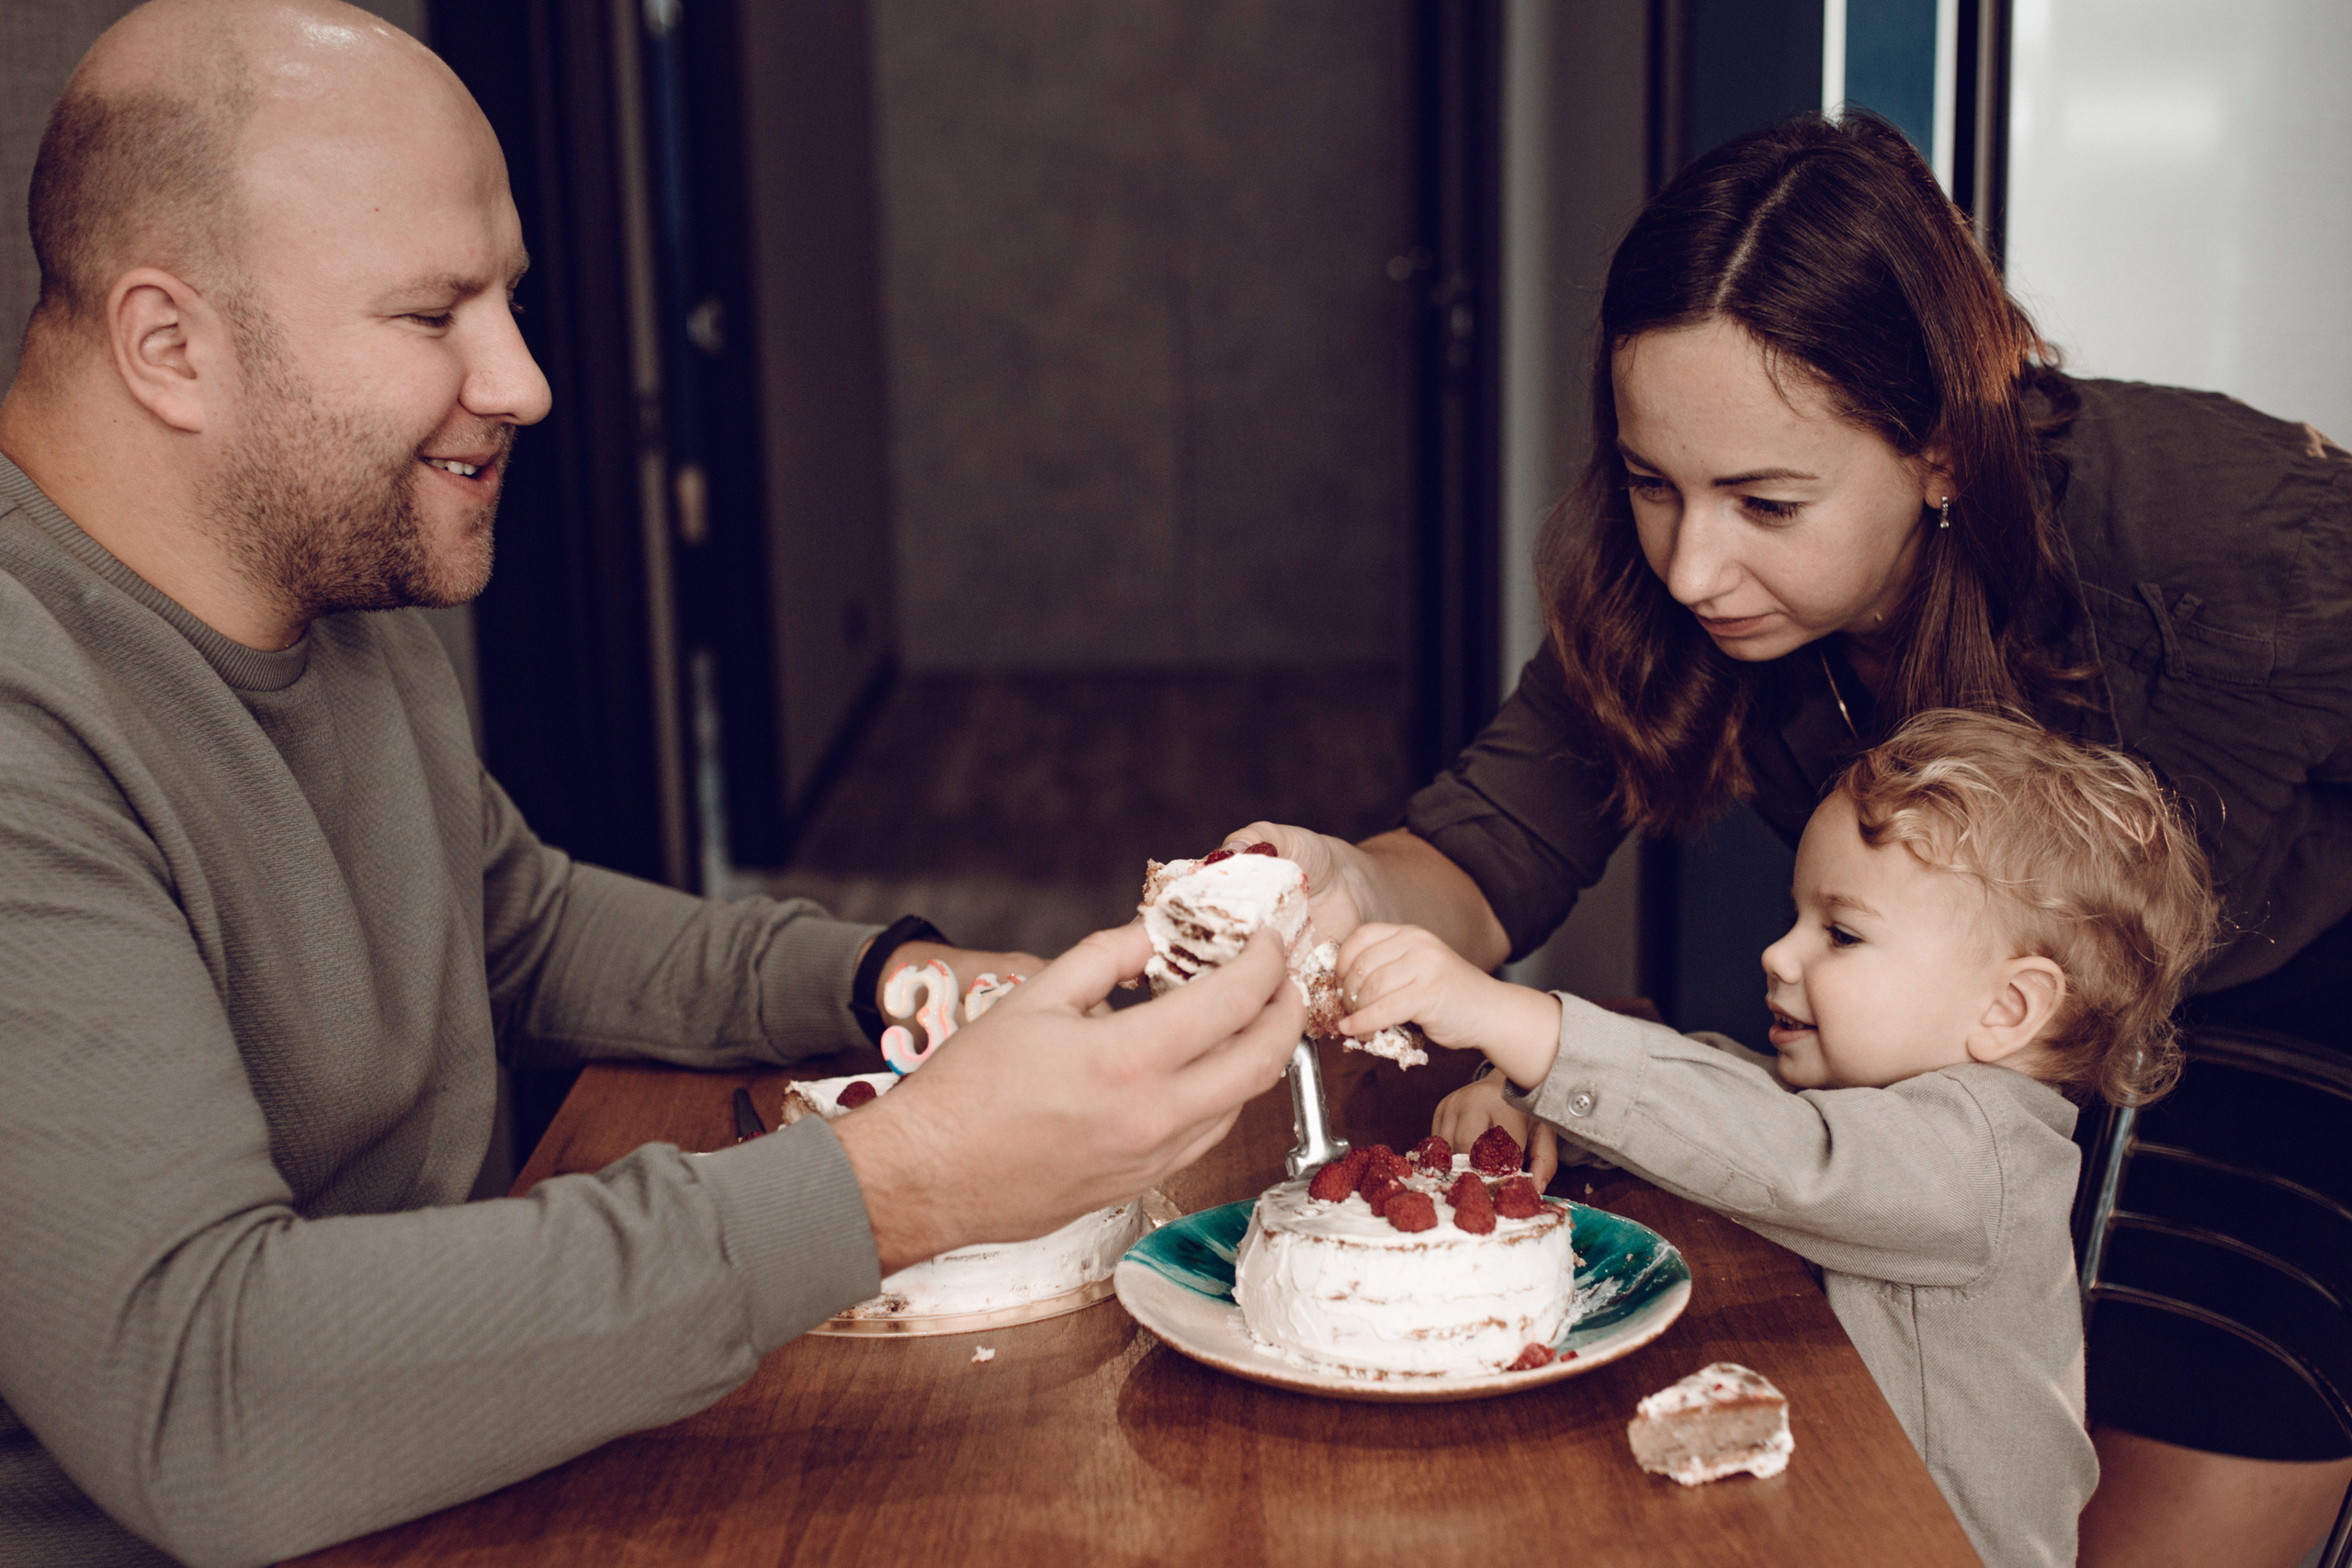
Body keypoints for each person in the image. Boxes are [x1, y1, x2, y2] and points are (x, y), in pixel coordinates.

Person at [0, 5, 1304, 1564]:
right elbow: (204, 1402)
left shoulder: (323, 581)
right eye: (434, 316)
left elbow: (519, 925)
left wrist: (892, 976)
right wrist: (905, 1179)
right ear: (170, 347)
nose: (528, 379)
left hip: (464, 1459)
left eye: (512, 299)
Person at [1233, 111, 2352, 1567]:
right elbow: (1481, 854)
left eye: (1767, 501)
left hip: (2290, 1020)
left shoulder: (2230, 536)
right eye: (1652, 482)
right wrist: (1341, 888)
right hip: (1993, 1066)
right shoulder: (1678, 603)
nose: (1694, 565)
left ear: (1944, 449)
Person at [1330, 710, 2217, 1568]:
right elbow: (1730, 1084)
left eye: (1839, 932)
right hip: (1832, 1504)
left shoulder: (1982, 1159)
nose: (1779, 954)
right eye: (1795, 916)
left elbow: (1781, 1152)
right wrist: (1540, 1098)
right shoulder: (1890, 1094)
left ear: (2008, 1007)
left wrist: (1514, 1018)